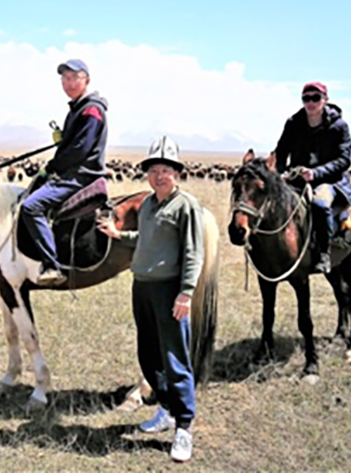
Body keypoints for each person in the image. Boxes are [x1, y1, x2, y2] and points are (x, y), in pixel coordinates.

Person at [98, 136, 204, 463]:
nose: (160, 175)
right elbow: (146, 237)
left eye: (166, 170)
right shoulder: (147, 205)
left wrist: (186, 292)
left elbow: (193, 252)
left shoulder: (185, 205)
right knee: (149, 355)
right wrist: (120, 236)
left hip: (169, 290)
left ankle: (183, 428)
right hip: (142, 288)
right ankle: (166, 411)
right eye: (154, 169)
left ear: (177, 173)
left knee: (175, 358)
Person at [20, 59, 108, 286]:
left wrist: (52, 167)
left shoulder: (91, 110)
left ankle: (52, 265)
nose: (68, 83)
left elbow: (80, 149)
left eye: (73, 78)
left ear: (86, 80)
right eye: (64, 79)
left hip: (80, 175)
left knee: (30, 207)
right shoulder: (78, 108)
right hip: (73, 173)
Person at [274, 82, 351, 274]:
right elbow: (281, 152)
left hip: (329, 180)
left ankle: (323, 253)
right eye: (306, 98)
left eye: (315, 98)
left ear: (325, 100)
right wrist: (280, 173)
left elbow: (344, 160)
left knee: (319, 204)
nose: (310, 102)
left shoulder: (339, 126)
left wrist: (316, 173)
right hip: (297, 179)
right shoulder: (293, 123)